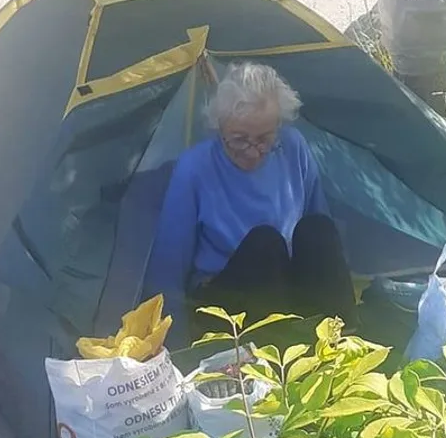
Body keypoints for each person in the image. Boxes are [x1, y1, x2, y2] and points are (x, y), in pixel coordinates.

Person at [144, 61, 355, 343]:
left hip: (283, 285)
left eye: (264, 139)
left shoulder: (293, 147)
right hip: (225, 302)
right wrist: (175, 345)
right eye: (239, 140)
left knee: (317, 228)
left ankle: (344, 341)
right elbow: (168, 265)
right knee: (265, 243)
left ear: (278, 126)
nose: (253, 152)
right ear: (220, 129)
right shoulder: (194, 168)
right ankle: (278, 350)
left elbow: (319, 236)